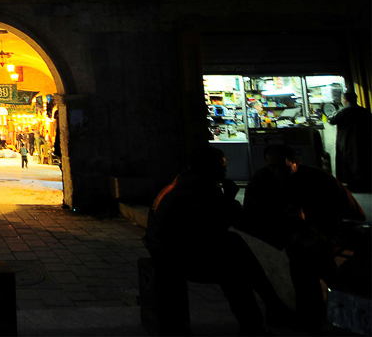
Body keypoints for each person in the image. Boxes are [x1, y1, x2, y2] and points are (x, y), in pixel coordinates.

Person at [145, 145, 293, 335]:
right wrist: (229, 198)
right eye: (221, 166)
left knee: (233, 246)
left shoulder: (185, 183)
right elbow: (222, 222)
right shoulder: (197, 188)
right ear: (207, 167)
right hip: (173, 256)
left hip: (169, 249)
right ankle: (262, 318)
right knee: (234, 270)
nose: (225, 170)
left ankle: (270, 309)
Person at [243, 144, 366, 329]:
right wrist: (281, 220)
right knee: (304, 259)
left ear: (296, 162)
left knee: (311, 259)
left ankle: (319, 315)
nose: (277, 172)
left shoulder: (318, 179)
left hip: (319, 236)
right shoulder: (262, 181)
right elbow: (251, 218)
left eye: (282, 166)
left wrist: (313, 221)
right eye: (272, 166)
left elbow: (353, 215)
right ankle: (315, 316)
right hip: (283, 240)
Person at [328, 90, 372, 193]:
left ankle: (353, 185)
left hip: (346, 143)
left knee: (348, 164)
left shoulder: (343, 112)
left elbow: (332, 121)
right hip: (364, 142)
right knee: (362, 162)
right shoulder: (365, 111)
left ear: (345, 100)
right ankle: (365, 183)